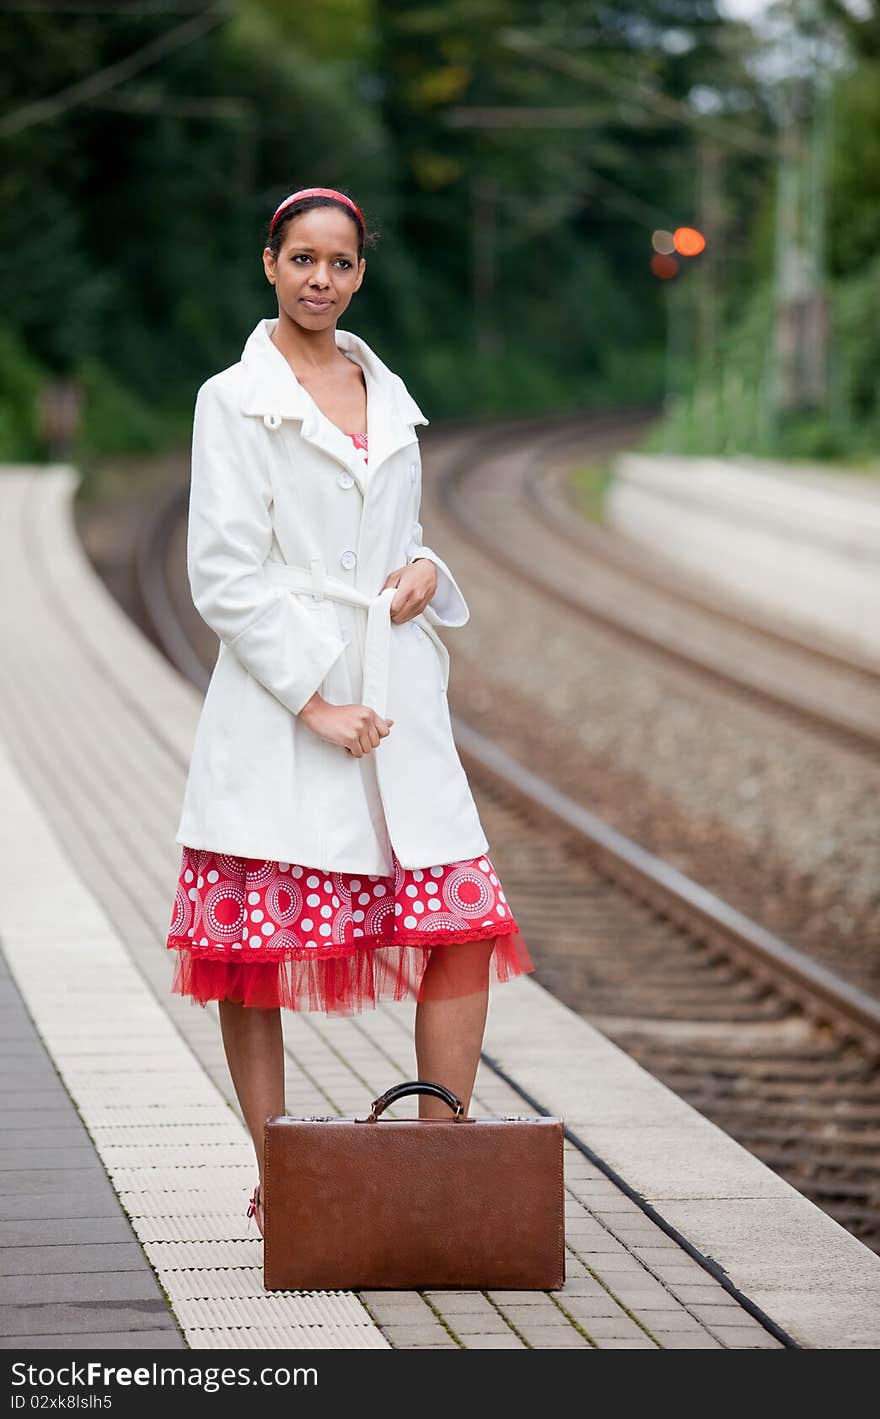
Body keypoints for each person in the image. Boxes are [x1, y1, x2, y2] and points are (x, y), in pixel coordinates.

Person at [164, 186, 535, 1236]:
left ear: (360, 273)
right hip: (289, 705)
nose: (320, 279)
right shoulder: (231, 399)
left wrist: (424, 562)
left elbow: (401, 527)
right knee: (258, 952)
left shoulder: (387, 389)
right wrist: (315, 702)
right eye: (302, 260)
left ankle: (440, 1158)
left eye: (339, 263)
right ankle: (279, 1173)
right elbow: (225, 574)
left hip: (399, 697)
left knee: (463, 924)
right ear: (270, 265)